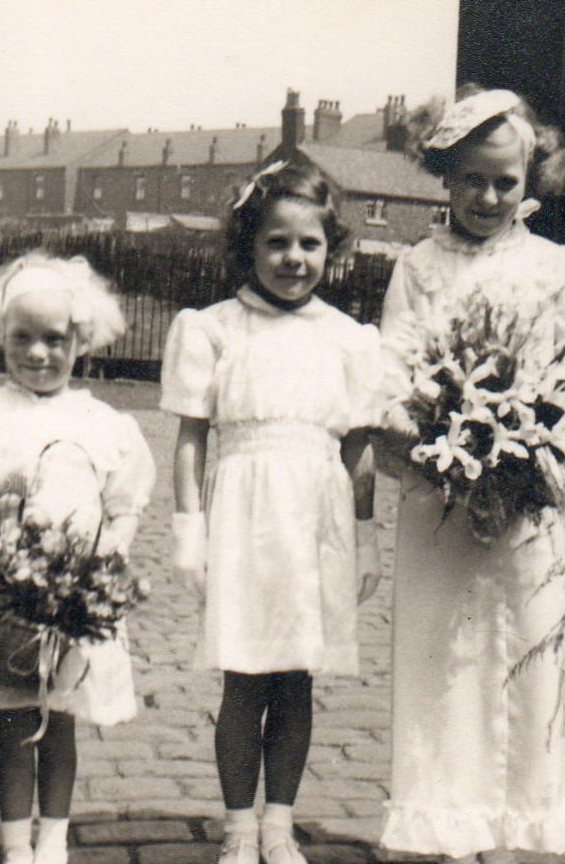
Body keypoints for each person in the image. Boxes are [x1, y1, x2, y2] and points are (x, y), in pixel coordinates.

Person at [377, 87, 565, 864]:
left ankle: (526, 825)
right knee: (450, 655)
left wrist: (538, 434)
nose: (489, 197)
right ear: (444, 177)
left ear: (535, 178)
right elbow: (394, 369)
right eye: (471, 180)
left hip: (535, 496)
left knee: (536, 649)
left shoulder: (554, 265)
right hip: (446, 493)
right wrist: (435, 430)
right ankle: (453, 822)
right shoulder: (417, 266)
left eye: (506, 181)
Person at [160, 160, 382, 864]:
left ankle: (280, 823)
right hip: (244, 519)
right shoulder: (213, 328)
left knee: (296, 678)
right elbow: (192, 436)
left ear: (331, 248)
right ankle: (238, 828)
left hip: (315, 522)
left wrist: (366, 538)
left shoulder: (350, 338)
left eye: (310, 244)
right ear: (248, 246)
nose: (294, 258)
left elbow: (360, 450)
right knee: (244, 677)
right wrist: (188, 531)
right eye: (277, 242)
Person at [0, 252, 155, 864]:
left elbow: (124, 502)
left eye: (55, 340)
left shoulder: (102, 423)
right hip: (5, 591)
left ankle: (53, 837)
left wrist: (109, 557)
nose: (39, 353)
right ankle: (14, 842)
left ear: (82, 341)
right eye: (22, 338)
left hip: (74, 593)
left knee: (63, 719)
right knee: (14, 721)